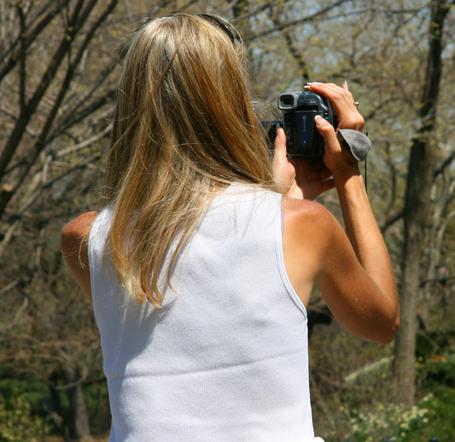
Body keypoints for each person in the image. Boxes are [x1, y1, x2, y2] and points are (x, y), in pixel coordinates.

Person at [60, 12, 398, 441]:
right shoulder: (303, 226)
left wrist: (276, 204)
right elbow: (382, 322)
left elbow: (185, 311)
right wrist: (348, 175)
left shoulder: (85, 238)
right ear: (230, 103)